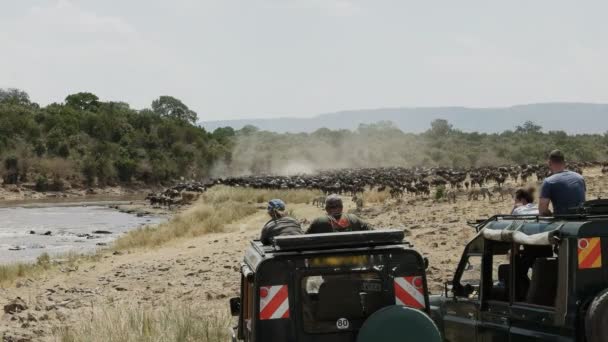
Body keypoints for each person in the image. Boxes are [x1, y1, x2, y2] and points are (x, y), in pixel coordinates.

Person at [539, 150, 586, 216]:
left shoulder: (548, 182)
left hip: (562, 221)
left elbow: (542, 210)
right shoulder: (580, 178)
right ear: (565, 163)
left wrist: (550, 215)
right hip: (582, 219)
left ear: (549, 163)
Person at [307, 194, 371, 234]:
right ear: (342, 207)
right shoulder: (354, 218)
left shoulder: (318, 221)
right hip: (354, 255)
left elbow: (304, 239)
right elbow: (371, 231)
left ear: (326, 209)